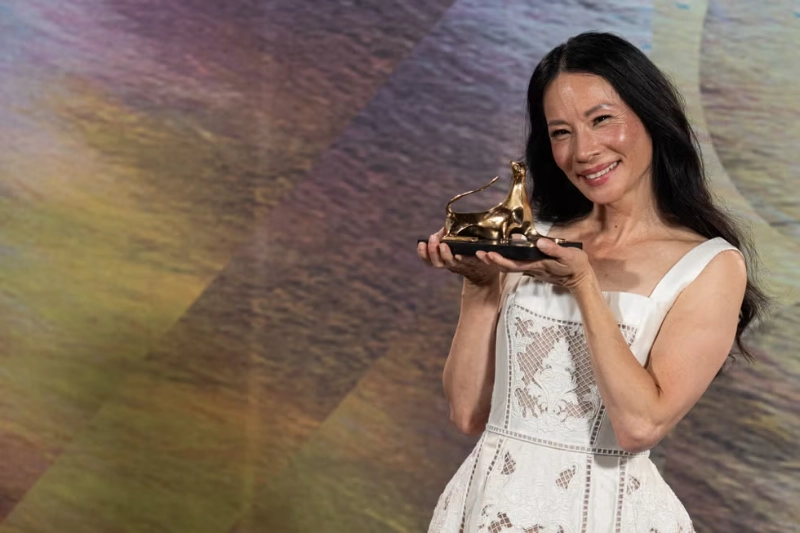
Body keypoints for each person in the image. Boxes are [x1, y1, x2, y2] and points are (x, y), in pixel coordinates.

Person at [417, 32, 768, 533]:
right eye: (561, 132)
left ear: (650, 116)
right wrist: (480, 289)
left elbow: (640, 425)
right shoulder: (537, 238)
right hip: (486, 509)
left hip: (604, 514)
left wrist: (584, 285)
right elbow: (469, 415)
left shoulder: (709, 266)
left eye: (602, 119)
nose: (584, 150)